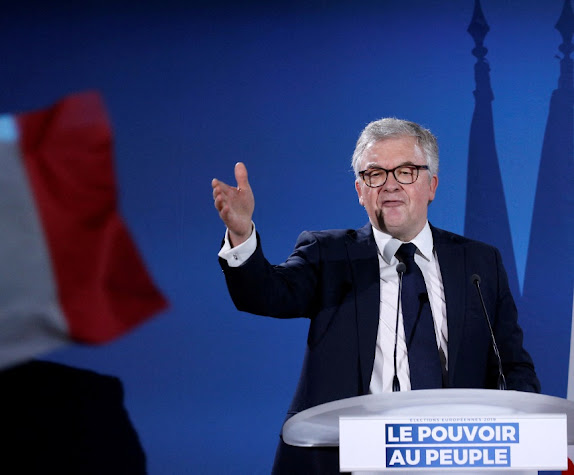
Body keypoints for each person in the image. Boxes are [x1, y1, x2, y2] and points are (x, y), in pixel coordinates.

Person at [211, 118, 540, 473]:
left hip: (454, 458)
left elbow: (512, 364)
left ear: (431, 185)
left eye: (406, 171)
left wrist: (521, 429)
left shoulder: (479, 263)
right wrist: (242, 236)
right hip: (343, 457)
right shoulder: (329, 253)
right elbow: (265, 295)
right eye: (375, 174)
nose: (390, 185)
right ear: (360, 191)